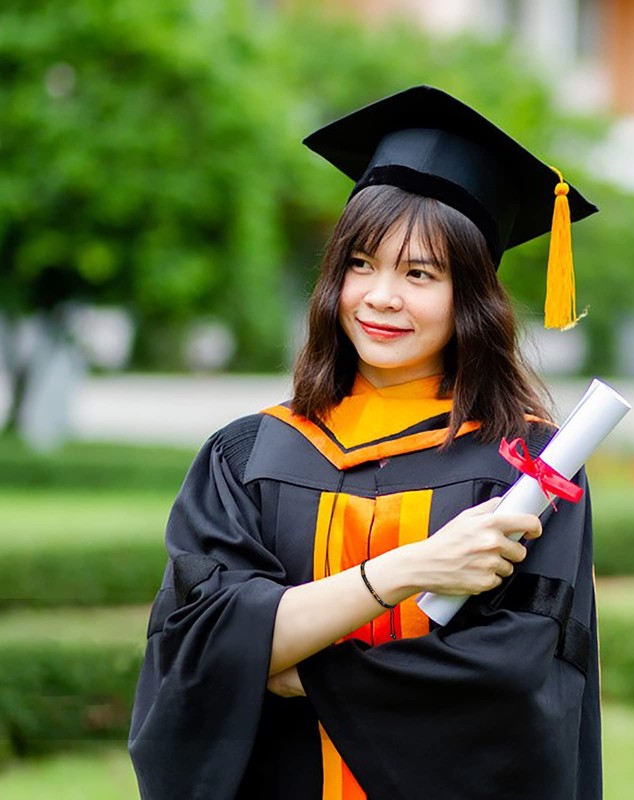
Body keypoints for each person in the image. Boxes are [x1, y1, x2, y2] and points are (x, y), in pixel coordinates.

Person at [128, 85, 601, 800]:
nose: (381, 296)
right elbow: (198, 650)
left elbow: (517, 686)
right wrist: (413, 568)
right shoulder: (249, 457)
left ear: (470, 297)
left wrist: (292, 668)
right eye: (361, 263)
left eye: (420, 274)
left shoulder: (526, 472)